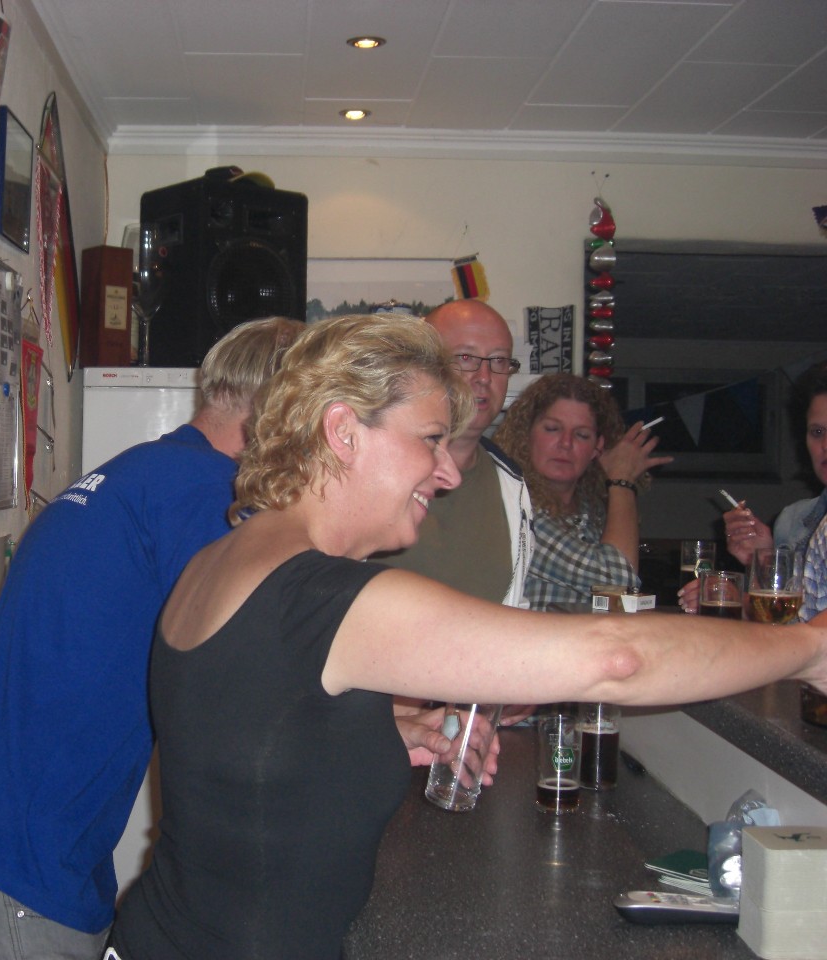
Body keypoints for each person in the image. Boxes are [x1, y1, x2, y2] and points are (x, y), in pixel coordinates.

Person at [107, 312, 827, 960]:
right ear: (342, 431)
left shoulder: (222, 559)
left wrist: (382, 731)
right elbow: (618, 657)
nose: (448, 472)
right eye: (430, 440)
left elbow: (248, 726)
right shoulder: (331, 597)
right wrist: (810, 648)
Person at [0, 316, 303, 960]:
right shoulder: (207, 495)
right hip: (18, 875)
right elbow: (259, 677)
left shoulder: (147, 474)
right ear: (279, 411)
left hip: (14, 861)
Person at [373, 299, 533, 607]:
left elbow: (515, 603)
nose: (484, 377)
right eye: (465, 357)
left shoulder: (513, 486)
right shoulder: (372, 470)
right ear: (422, 365)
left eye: (499, 361)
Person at [493, 373, 671, 609]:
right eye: (552, 429)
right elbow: (617, 582)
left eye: (581, 434)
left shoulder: (595, 509)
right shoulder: (515, 505)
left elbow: (623, 603)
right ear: (526, 435)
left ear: (598, 447)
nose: (565, 443)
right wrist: (622, 480)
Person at [705, 360, 827, 618]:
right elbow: (782, 623)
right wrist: (761, 561)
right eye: (818, 432)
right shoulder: (792, 520)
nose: (826, 444)